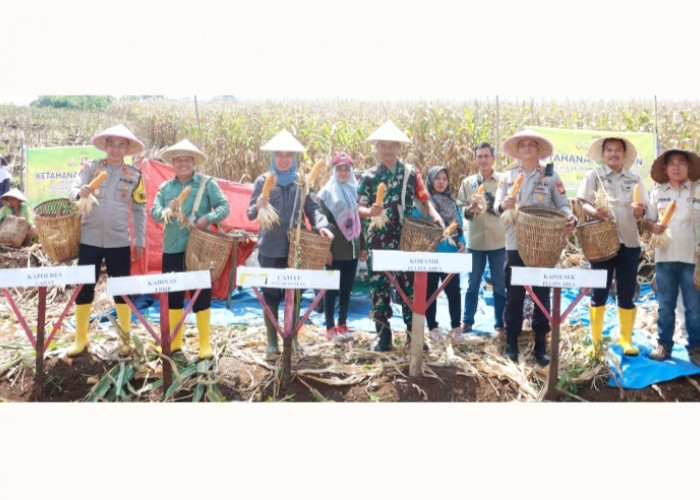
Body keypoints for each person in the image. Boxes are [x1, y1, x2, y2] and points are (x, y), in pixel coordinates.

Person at [357, 120, 445, 352]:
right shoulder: (369, 177)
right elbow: (360, 209)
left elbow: (424, 199)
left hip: (406, 238)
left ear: (399, 148)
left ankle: (413, 335)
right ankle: (383, 336)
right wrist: (370, 212)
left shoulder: (410, 173)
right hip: (378, 238)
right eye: (383, 146)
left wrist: (435, 216)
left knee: (410, 287)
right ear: (377, 148)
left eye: (392, 146)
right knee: (379, 287)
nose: (387, 150)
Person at [247, 130, 334, 359]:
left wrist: (322, 225)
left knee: (294, 293)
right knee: (271, 293)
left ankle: (293, 337)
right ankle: (272, 341)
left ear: (294, 159)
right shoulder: (262, 181)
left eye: (288, 155)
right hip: (270, 247)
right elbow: (250, 214)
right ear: (273, 157)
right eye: (279, 155)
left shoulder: (301, 183)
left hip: (296, 247)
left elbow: (313, 208)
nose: (284, 159)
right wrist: (259, 205)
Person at [495, 130, 576, 365]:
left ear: (539, 150)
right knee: (514, 293)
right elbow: (496, 206)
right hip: (515, 241)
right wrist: (504, 205)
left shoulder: (551, 177)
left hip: (544, 245)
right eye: (523, 145)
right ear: (518, 151)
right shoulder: (507, 177)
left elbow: (563, 205)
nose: (528, 148)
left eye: (532, 145)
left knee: (541, 293)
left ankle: (541, 342)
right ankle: (512, 342)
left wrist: (571, 219)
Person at [67, 124, 147, 356]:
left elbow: (140, 210)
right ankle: (80, 339)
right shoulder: (91, 168)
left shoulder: (135, 176)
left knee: (122, 289)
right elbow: (73, 189)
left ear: (127, 148)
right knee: (84, 288)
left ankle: (124, 339)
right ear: (106, 146)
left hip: (119, 241)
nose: (115, 148)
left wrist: (139, 240)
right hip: (89, 239)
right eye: (111, 143)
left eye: (120, 144)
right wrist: (79, 192)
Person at [151, 139, 230, 360]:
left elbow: (225, 207)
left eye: (188, 159)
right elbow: (154, 212)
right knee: (173, 295)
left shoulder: (207, 184)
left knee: (201, 294)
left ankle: (204, 345)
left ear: (193, 162)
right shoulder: (165, 188)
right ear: (173, 163)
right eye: (179, 160)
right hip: (172, 249)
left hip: (199, 250)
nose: (184, 163)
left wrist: (207, 218)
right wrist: (167, 210)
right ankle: (174, 342)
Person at [577, 136, 649, 357]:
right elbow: (583, 201)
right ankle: (596, 341)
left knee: (626, 292)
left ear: (624, 154)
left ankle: (626, 339)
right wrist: (594, 212)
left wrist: (640, 211)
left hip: (629, 241)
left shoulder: (634, 177)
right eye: (609, 150)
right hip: (601, 243)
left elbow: (643, 208)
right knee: (599, 291)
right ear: (603, 154)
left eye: (618, 150)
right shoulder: (594, 176)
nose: (613, 154)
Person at [644, 149, 700, 366]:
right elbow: (647, 221)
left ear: (688, 167)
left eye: (681, 163)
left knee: (694, 307)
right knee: (665, 305)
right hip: (665, 258)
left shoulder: (697, 191)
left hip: (693, 260)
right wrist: (652, 226)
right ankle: (664, 344)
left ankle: (696, 347)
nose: (676, 167)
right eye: (672, 163)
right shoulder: (658, 193)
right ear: (665, 169)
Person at [456, 142, 506, 339]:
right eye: (480, 156)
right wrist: (470, 209)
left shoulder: (503, 181)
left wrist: (493, 205)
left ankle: (500, 323)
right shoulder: (468, 183)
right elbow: (461, 210)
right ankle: (467, 320)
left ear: (493, 159)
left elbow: (509, 207)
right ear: (475, 159)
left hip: (498, 241)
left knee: (500, 284)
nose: (483, 160)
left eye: (487, 156)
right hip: (475, 242)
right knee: (472, 283)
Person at [317, 152, 365, 343]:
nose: (343, 173)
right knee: (331, 290)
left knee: (346, 289)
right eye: (340, 169)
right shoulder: (327, 194)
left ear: (351, 171)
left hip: (352, 249)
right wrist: (326, 249)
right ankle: (329, 327)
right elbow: (321, 224)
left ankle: (342, 324)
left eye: (347, 169)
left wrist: (362, 246)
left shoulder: (356, 192)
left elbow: (360, 222)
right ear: (334, 171)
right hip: (334, 250)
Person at [413, 165, 465, 339]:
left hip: (449, 253)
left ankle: (456, 326)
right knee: (430, 291)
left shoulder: (452, 202)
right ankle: (432, 326)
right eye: (438, 178)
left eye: (444, 179)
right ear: (430, 180)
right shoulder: (423, 204)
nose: (441, 182)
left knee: (454, 291)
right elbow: (416, 223)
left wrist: (461, 242)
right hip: (430, 254)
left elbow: (459, 227)